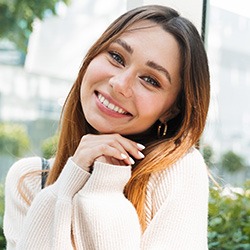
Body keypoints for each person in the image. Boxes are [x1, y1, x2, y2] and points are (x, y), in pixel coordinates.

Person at [4, 4, 210, 250]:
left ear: (171, 110)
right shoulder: (28, 180)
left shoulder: (179, 170)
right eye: (116, 57)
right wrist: (71, 177)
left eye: (150, 80)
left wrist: (105, 186)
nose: (120, 84)